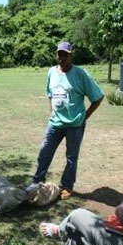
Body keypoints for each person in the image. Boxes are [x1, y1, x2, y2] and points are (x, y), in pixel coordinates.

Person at [27, 42, 104, 200]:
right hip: (55, 123)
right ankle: (37, 182)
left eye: (65, 54)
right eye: (59, 54)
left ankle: (67, 186)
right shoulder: (51, 72)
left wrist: (85, 116)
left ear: (71, 55)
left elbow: (98, 96)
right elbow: (50, 92)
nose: (61, 57)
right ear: (56, 55)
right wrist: (51, 110)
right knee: (44, 152)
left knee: (71, 157)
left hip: (74, 125)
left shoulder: (80, 74)